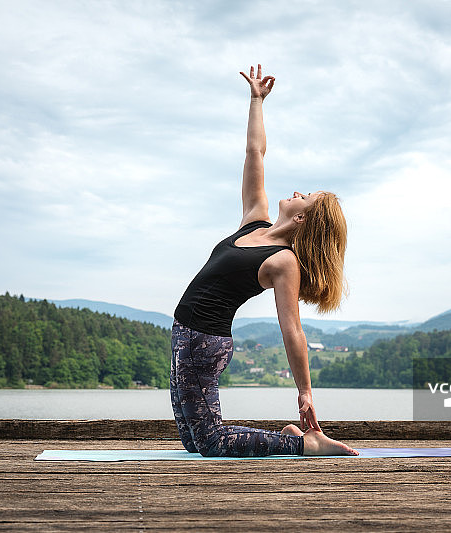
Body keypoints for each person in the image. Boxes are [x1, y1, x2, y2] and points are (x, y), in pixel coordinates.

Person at [169, 64, 358, 457]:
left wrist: (304, 391)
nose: (295, 191)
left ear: (304, 218)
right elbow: (255, 152)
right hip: (183, 335)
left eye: (304, 195)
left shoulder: (284, 261)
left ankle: (305, 443)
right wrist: (256, 101)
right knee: (193, 441)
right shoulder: (255, 218)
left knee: (210, 442)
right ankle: (291, 436)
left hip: (204, 343)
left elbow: (293, 331)